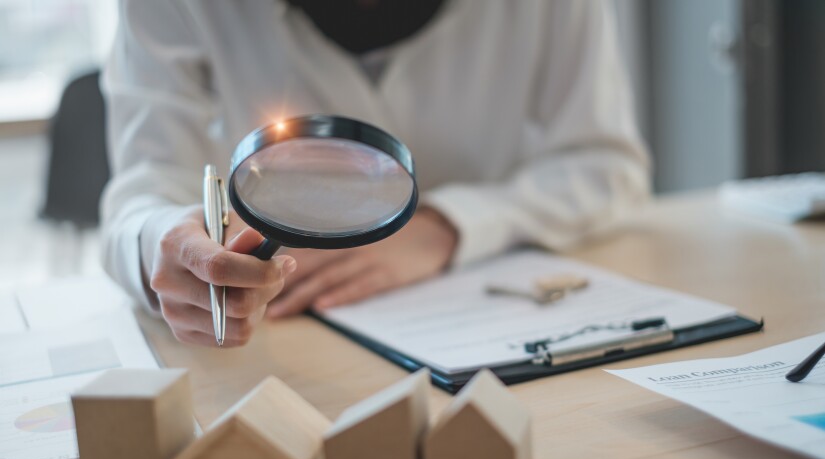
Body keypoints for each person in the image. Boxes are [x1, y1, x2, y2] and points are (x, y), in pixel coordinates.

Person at [101, 0, 650, 347]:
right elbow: (143, 191)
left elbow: (608, 164)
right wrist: (165, 245)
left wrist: (445, 225)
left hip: (488, 326)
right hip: (282, 335)